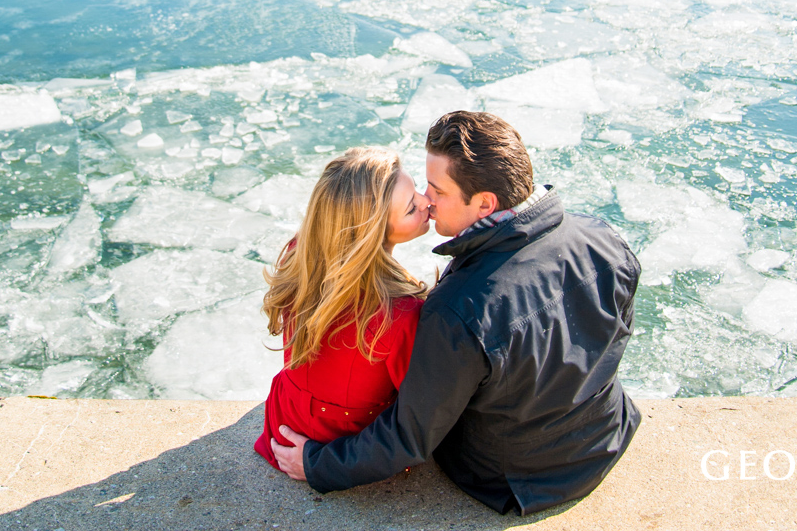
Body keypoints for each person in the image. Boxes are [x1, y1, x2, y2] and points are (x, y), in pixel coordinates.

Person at [270, 110, 642, 516]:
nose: (427, 201)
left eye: (436, 189)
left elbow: (409, 438)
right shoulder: (605, 239)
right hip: (605, 436)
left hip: (516, 479)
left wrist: (317, 464)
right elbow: (610, 343)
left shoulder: (459, 309)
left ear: (484, 203)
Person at [253, 146, 433, 470]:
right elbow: (420, 411)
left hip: (284, 421)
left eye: (416, 189)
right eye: (410, 208)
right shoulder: (401, 313)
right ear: (373, 234)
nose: (425, 202)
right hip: (342, 445)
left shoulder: (300, 255)